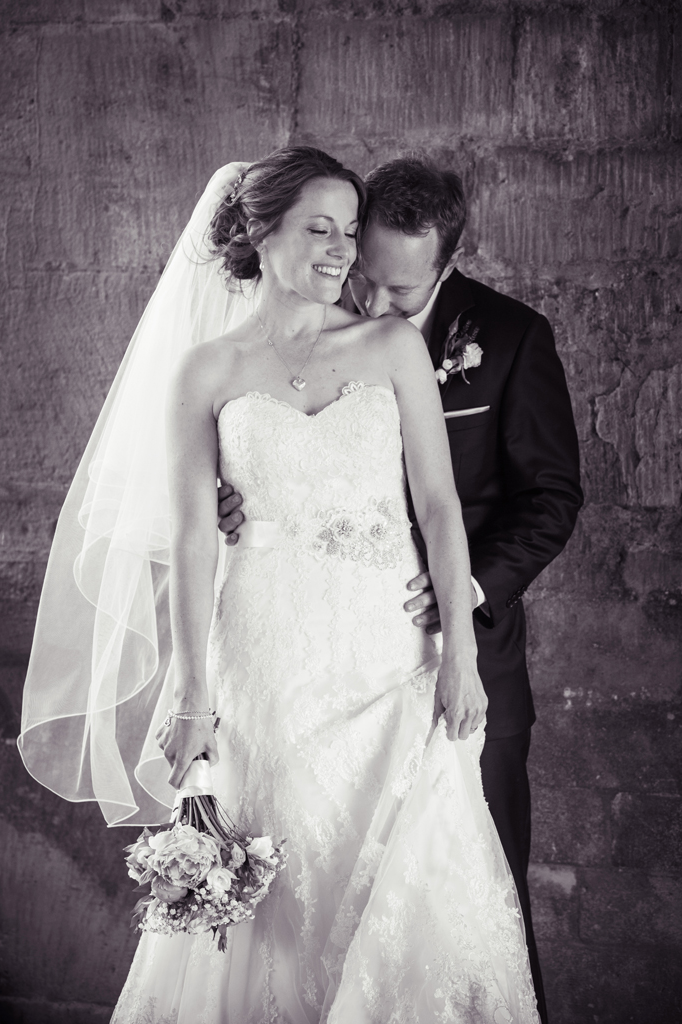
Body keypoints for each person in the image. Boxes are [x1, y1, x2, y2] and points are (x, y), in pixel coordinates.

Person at [20, 148, 540, 1023]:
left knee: (404, 877)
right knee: (280, 885)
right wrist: (193, 696)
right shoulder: (207, 371)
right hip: (263, 652)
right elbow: (193, 538)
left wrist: (458, 651)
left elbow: (440, 507)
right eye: (318, 229)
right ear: (259, 234)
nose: (341, 251)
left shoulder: (391, 347)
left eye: (349, 230)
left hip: (387, 656)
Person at [218, 158, 583, 1024]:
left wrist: (461, 593)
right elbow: (263, 442)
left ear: (447, 264)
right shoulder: (298, 326)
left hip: (460, 650)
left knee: (470, 905)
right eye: (363, 276)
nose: (372, 301)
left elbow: (549, 497)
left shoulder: (512, 337)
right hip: (312, 654)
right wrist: (234, 492)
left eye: (400, 289)